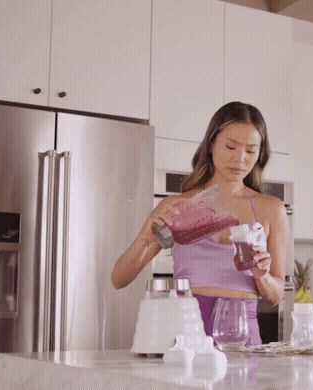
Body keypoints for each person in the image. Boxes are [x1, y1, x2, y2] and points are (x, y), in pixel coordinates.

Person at [111, 101, 288, 346]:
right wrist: (145, 237)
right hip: (186, 333)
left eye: (250, 150)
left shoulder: (271, 209)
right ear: (211, 144)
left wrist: (262, 276)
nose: (240, 159)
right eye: (230, 146)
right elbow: (119, 279)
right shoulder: (178, 206)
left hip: (244, 339)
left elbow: (276, 296)